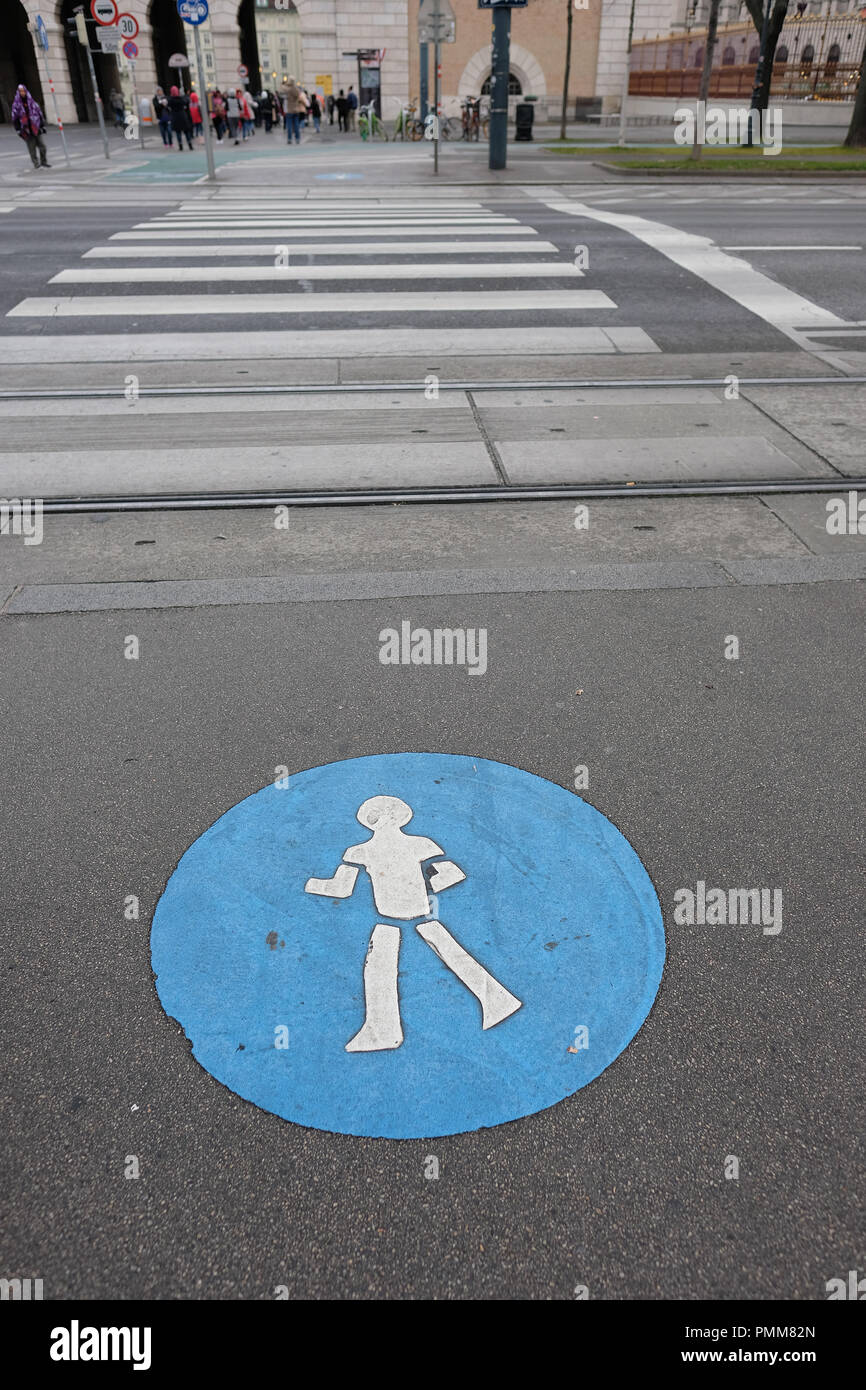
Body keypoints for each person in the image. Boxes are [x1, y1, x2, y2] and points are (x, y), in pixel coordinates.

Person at [11, 85, 49, 170]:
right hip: (26, 129)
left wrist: (42, 126)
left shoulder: (32, 102)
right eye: (20, 91)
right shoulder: (16, 105)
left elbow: (39, 114)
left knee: (42, 146)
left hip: (36, 127)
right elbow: (15, 118)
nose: (22, 93)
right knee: (32, 148)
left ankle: (44, 161)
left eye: (23, 91)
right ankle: (36, 164)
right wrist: (18, 129)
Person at [282, 77, 307, 145]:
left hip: (289, 110)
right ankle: (297, 138)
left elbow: (282, 88)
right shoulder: (296, 89)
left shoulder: (288, 89)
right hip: (296, 110)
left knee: (289, 125)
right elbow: (299, 96)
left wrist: (285, 83)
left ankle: (289, 139)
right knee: (296, 125)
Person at [168, 85, 193, 151]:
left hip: (175, 117)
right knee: (186, 131)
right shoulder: (181, 98)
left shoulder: (170, 100)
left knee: (178, 132)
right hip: (182, 116)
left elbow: (168, 106)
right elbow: (186, 102)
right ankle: (190, 144)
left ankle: (180, 145)